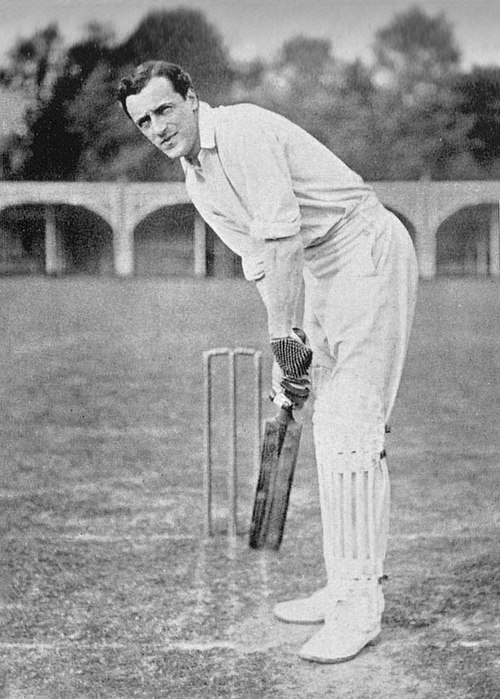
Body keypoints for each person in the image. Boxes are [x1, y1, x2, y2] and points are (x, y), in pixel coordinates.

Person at [117, 61, 418, 664]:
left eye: (164, 109)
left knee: (350, 430)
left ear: (192, 99)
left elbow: (281, 241)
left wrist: (287, 346)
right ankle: (343, 586)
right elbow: (261, 264)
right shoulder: (197, 181)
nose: (156, 127)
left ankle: (361, 607)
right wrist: (293, 357)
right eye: (143, 121)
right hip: (315, 272)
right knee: (332, 435)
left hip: (363, 252)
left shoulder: (244, 133)